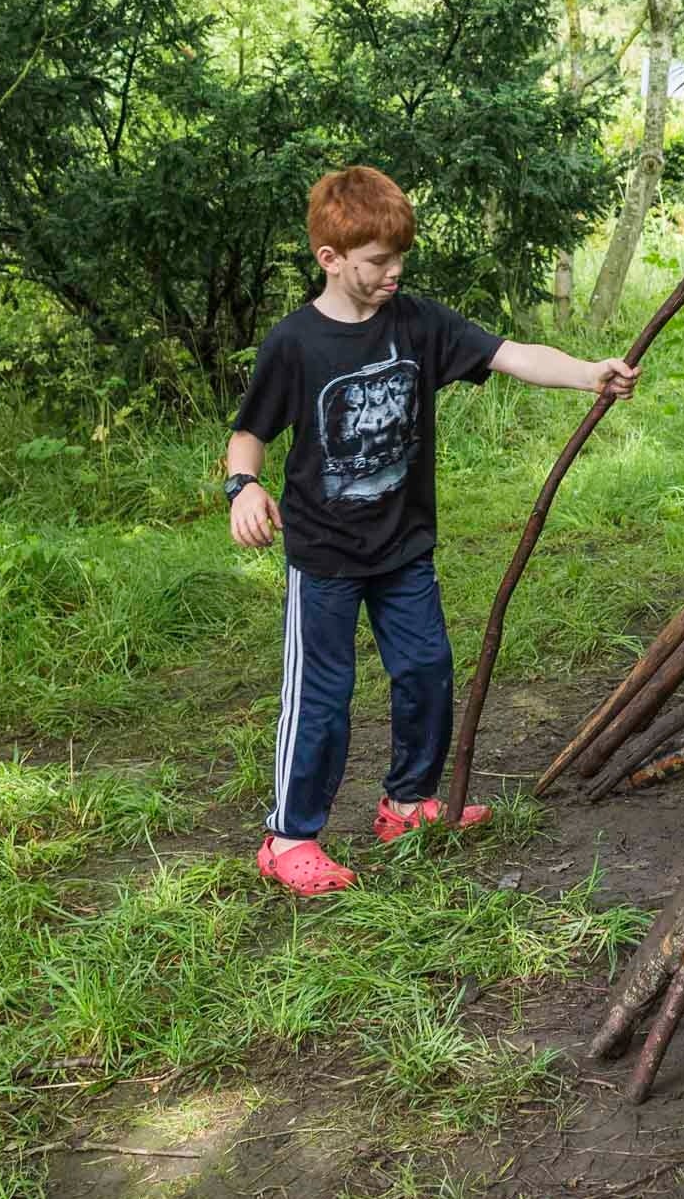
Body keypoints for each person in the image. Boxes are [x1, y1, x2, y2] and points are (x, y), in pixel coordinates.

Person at [223, 166, 640, 896]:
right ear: (330, 258)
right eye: (378, 261)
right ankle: (289, 836)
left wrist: (587, 373)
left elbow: (511, 356)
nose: (394, 272)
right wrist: (244, 487)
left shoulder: (417, 322)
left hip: (404, 547)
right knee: (322, 695)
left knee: (425, 671)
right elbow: (248, 435)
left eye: (399, 257)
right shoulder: (294, 344)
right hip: (324, 555)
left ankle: (406, 803)